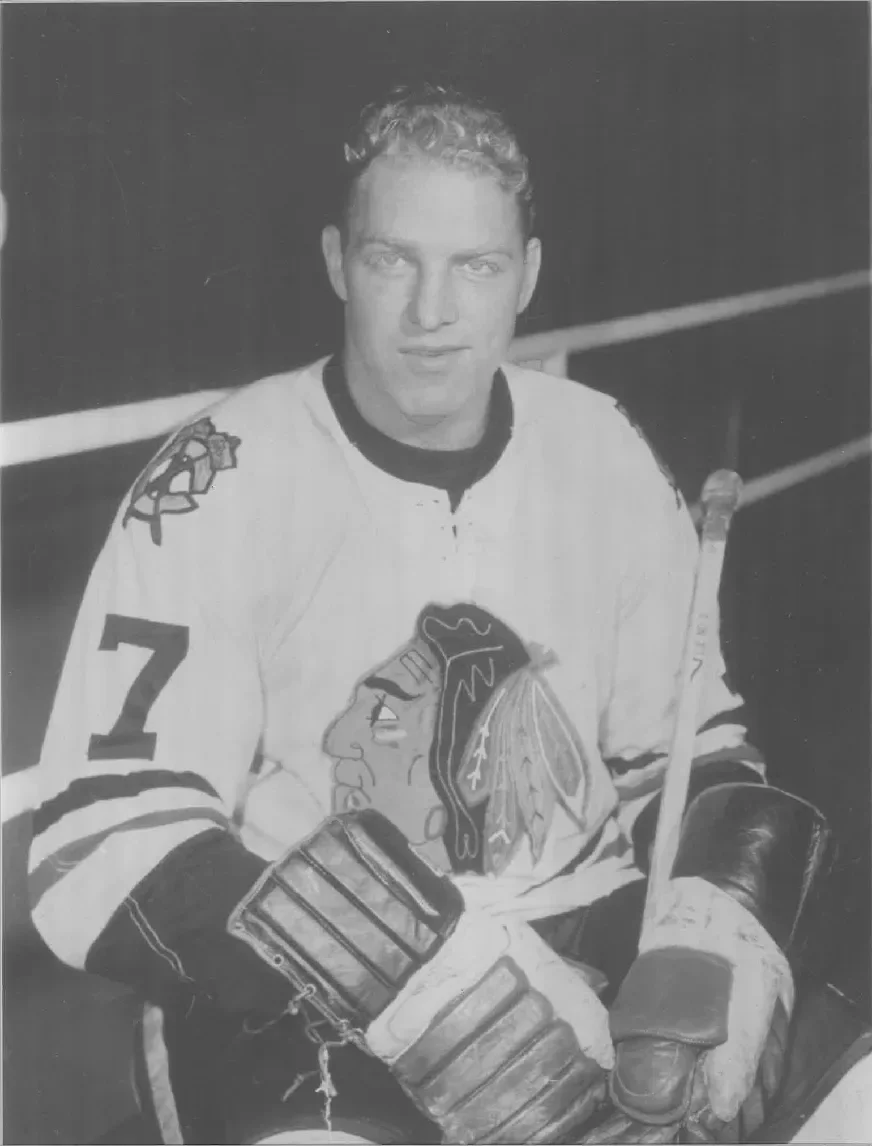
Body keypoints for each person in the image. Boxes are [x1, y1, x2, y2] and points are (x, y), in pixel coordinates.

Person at [28, 85, 830, 1145]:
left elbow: (684, 749)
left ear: (526, 276)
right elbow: (106, 832)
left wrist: (714, 927)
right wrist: (422, 977)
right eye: (391, 260)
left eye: (475, 266)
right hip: (315, 991)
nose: (430, 311)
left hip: (583, 921)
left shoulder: (602, 445)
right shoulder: (220, 478)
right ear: (336, 262)